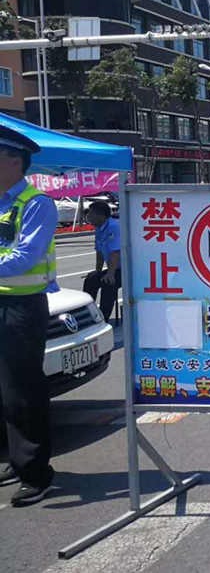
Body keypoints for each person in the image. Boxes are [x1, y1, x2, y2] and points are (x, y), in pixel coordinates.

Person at [0, 124, 57, 506]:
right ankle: (17, 459)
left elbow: (25, 256)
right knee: (5, 391)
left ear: (14, 161)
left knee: (23, 391)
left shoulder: (37, 203)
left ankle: (36, 473)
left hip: (22, 307)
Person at [82, 200, 120, 323]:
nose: (88, 216)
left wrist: (110, 274)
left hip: (126, 269)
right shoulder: (99, 229)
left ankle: (104, 319)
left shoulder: (114, 226)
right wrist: (98, 271)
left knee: (108, 283)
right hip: (114, 268)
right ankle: (87, 314)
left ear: (101, 215)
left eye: (91, 213)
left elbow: (115, 252)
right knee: (91, 279)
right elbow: (99, 251)